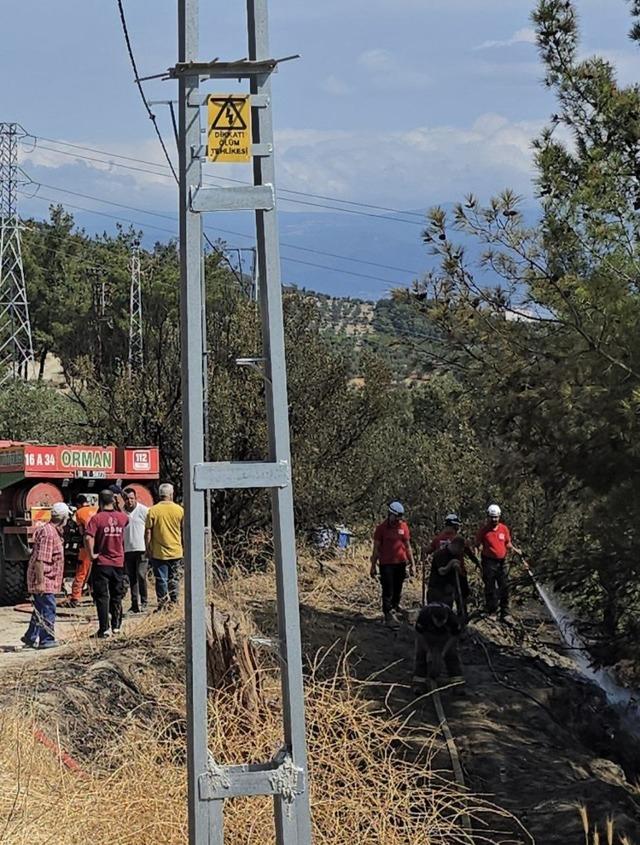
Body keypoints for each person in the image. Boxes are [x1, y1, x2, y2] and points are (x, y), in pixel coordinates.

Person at [21, 502, 70, 650]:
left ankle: (30, 637)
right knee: (48, 608)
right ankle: (46, 639)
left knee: (40, 609)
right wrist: (41, 582)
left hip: (47, 578)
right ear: (63, 518)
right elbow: (41, 559)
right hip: (45, 579)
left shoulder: (52, 531)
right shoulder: (49, 533)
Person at [85, 489, 129, 638]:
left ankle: (104, 629)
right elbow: (127, 518)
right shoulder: (122, 518)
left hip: (102, 562)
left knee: (102, 597)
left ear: (100, 502)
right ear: (113, 501)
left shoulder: (96, 519)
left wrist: (91, 554)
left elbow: (88, 537)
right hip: (118, 562)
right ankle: (117, 626)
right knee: (117, 595)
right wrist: (119, 505)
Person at [370, 501, 415, 627]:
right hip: (386, 564)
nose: (398, 520)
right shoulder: (381, 529)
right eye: (396, 517)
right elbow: (376, 549)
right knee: (387, 589)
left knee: (398, 588)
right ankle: (388, 613)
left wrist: (412, 564)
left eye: (400, 518)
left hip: (401, 563)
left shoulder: (403, 527)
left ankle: (395, 608)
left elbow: (407, 546)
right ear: (390, 514)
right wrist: (373, 565)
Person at [476, 504, 521, 623]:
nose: (494, 520)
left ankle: (505, 613)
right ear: (488, 517)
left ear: (499, 516)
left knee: (504, 587)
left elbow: (507, 543)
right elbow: (477, 543)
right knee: (490, 587)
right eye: (492, 517)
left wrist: (515, 550)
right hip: (488, 562)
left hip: (502, 562)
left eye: (496, 517)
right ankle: (492, 612)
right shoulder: (484, 530)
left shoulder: (504, 529)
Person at [145, 483, 184, 611]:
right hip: (176, 551)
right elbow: (184, 529)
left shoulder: (153, 510)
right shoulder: (179, 510)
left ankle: (162, 604)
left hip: (159, 552)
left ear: (160, 495)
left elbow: (148, 531)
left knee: (161, 579)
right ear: (171, 494)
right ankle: (174, 602)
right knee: (174, 578)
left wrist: (148, 548)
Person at [426, 513, 479, 604]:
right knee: (460, 599)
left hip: (443, 577)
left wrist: (425, 549)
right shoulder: (458, 539)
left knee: (446, 598)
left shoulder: (438, 539)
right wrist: (477, 563)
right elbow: (469, 553)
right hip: (455, 573)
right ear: (455, 526)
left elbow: (428, 550)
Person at [413, 602, 463, 692]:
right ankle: (419, 683)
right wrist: (427, 650)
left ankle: (457, 683)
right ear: (432, 617)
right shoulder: (424, 615)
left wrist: (444, 652)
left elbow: (455, 636)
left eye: (443, 621)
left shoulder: (452, 618)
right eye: (437, 621)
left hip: (445, 636)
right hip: (427, 634)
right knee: (421, 654)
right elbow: (419, 634)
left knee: (452, 655)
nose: (440, 624)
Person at [427, 536, 469, 617]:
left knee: (446, 612)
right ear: (456, 546)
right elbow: (441, 571)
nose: (460, 552)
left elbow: (460, 572)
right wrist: (451, 564)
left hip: (448, 589)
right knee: (435, 613)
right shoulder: (441, 554)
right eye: (460, 549)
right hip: (436, 588)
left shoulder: (457, 555)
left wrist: (458, 568)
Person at [123, 487, 149, 614]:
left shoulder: (144, 511)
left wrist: (148, 546)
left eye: (132, 498)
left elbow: (150, 528)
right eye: (127, 499)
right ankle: (134, 604)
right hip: (128, 549)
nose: (129, 501)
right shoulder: (122, 513)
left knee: (141, 574)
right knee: (131, 577)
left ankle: (144, 601)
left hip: (142, 548)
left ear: (136, 498)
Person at [69, 494, 97, 607]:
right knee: (97, 571)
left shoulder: (79, 513)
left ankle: (75, 598)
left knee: (82, 571)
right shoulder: (96, 510)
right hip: (99, 544)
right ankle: (97, 596)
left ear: (78, 505)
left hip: (86, 546)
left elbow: (81, 532)